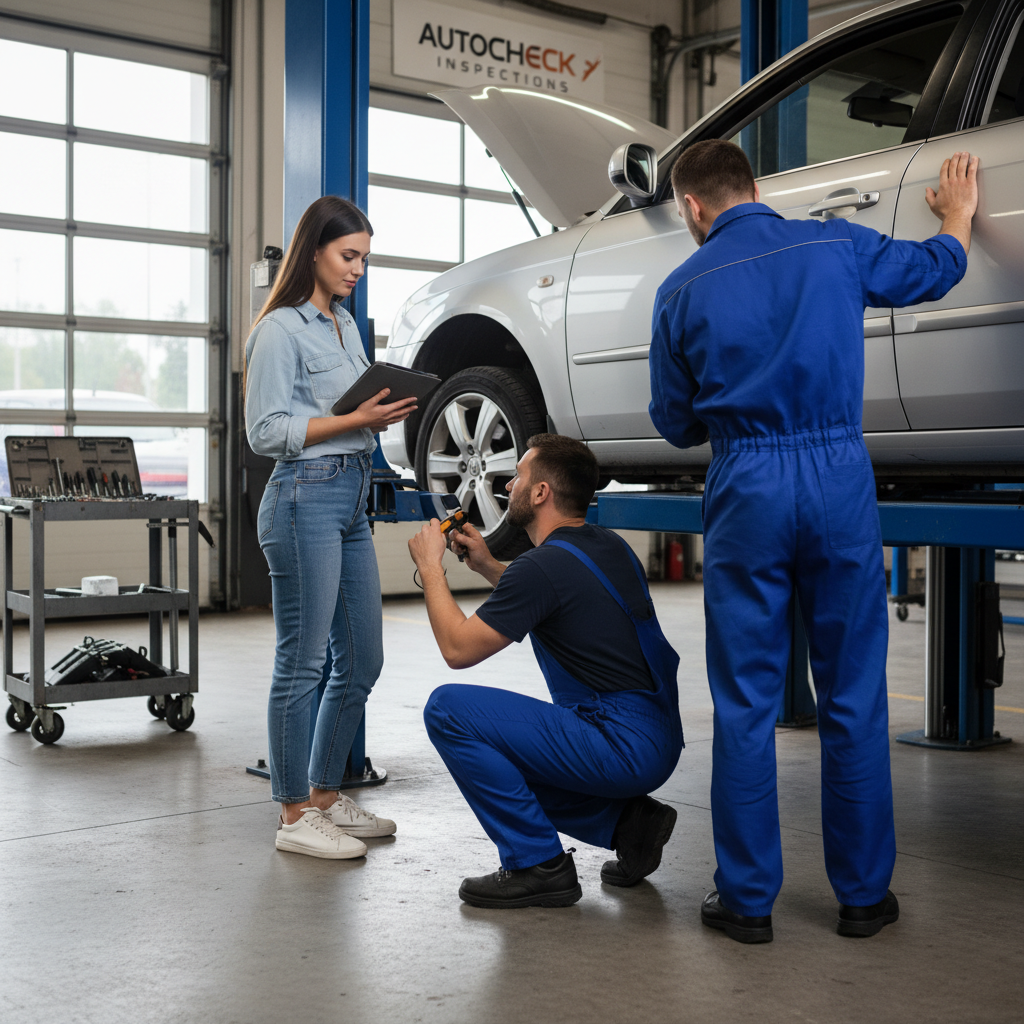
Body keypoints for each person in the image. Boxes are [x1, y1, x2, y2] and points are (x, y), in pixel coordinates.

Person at [649, 140, 979, 942]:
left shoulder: (680, 287)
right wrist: (960, 217)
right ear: (754, 189)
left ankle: (749, 902)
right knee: (855, 694)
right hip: (837, 475)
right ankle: (864, 898)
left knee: (747, 703)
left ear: (693, 207)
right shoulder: (837, 242)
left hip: (747, 484)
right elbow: (934, 269)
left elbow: (674, 421)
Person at [407, 433, 684, 908]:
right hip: (657, 735)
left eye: (518, 475)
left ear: (540, 493)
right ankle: (630, 826)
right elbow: (559, 599)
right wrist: (491, 567)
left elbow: (457, 648)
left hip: (618, 742)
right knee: (503, 756)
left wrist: (430, 567)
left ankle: (537, 864)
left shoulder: (540, 568)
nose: (509, 484)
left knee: (448, 711)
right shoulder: (605, 545)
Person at [245, 195, 417, 859]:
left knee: (363, 659)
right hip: (301, 499)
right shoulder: (280, 331)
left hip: (350, 497)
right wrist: (355, 422)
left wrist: (382, 414)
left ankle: (323, 794)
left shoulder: (345, 326)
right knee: (303, 663)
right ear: (314, 250)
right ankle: (292, 815)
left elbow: (350, 413)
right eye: (349, 256)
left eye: (365, 259)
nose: (357, 269)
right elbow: (267, 433)